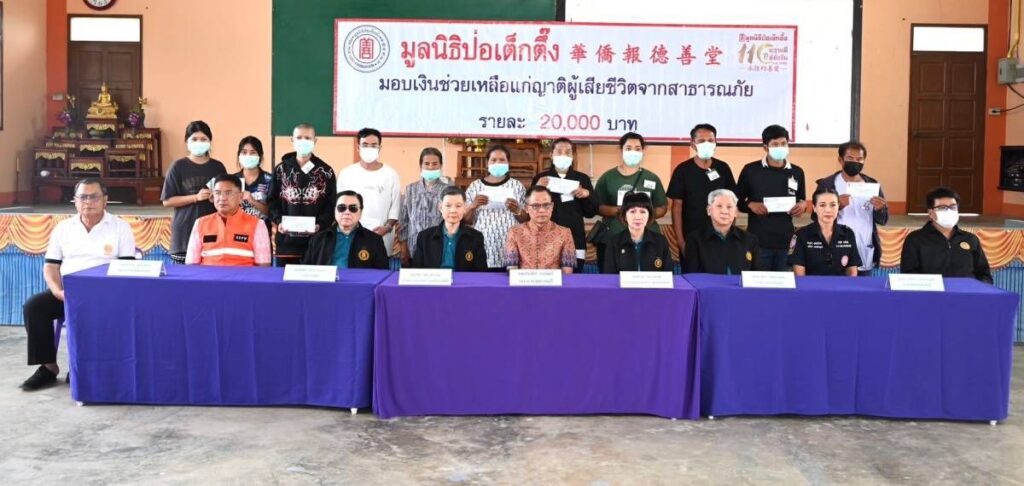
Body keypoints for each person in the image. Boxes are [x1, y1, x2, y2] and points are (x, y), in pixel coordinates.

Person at [21, 178, 136, 391]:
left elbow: (126, 267)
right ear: (74, 200)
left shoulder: (120, 227)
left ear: (105, 200)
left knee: (99, 312)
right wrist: (58, 291)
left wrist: (106, 293)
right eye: (83, 197)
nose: (88, 202)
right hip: (68, 292)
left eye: (94, 197)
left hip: (104, 294)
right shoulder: (63, 228)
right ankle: (48, 367)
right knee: (34, 306)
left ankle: (82, 366)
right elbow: (51, 266)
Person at [735, 124, 807, 271]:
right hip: (758, 241)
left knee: (784, 283)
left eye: (783, 143)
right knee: (758, 283)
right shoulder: (750, 170)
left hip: (786, 242)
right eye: (775, 144)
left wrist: (803, 206)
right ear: (765, 147)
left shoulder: (797, 172)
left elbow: (801, 199)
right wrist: (750, 205)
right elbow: (737, 200)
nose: (780, 147)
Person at [813, 141, 888, 276]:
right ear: (840, 160)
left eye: (859, 159)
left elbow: (883, 220)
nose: (855, 162)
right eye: (850, 158)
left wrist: (880, 209)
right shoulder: (827, 184)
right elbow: (815, 217)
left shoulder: (872, 185)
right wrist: (836, 206)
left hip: (864, 247)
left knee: (862, 287)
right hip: (835, 247)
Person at [267, 123, 337, 266]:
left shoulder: (326, 171)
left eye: (307, 138)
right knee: (284, 280)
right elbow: (272, 201)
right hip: (287, 244)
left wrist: (320, 225)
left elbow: (331, 205)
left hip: (316, 243)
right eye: (299, 137)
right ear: (292, 140)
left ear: (315, 141)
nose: (303, 141)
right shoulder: (281, 170)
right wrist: (279, 221)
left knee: (315, 280)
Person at [594, 132, 669, 264]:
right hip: (615, 237)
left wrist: (646, 214)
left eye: (637, 149)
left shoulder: (652, 178)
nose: (633, 152)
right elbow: (597, 206)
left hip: (647, 239)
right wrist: (622, 211)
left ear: (643, 151)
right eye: (628, 148)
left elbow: (662, 207)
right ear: (621, 150)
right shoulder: (607, 178)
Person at [160, 120, 227, 264]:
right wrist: (195, 197)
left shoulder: (218, 167)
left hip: (212, 232)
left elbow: (226, 197)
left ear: (210, 141)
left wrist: (215, 198)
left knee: (211, 275)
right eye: (194, 139)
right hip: (184, 234)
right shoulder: (178, 166)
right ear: (187, 141)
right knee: (183, 276)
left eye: (203, 139)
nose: (199, 143)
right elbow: (167, 201)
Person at [668, 123, 737, 254]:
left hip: (720, 237)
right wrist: (681, 242)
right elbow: (676, 208)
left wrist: (730, 235)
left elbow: (732, 204)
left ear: (716, 143)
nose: (707, 144)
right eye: (701, 141)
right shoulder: (682, 170)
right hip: (691, 238)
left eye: (710, 140)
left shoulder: (723, 168)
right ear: (693, 144)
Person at [531, 137, 598, 270]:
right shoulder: (541, 179)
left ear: (572, 156)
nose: (563, 155)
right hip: (545, 239)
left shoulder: (582, 179)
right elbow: (530, 211)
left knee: (573, 279)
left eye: (568, 152)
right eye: (559, 152)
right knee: (547, 279)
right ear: (551, 155)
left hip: (575, 239)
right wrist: (536, 189)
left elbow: (590, 213)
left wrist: (587, 195)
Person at [901, 187, 992, 283]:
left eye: (953, 207)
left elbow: (984, 274)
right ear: (931, 213)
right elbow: (909, 275)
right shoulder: (915, 239)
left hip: (967, 292)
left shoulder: (970, 239)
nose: (949, 211)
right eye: (942, 208)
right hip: (932, 292)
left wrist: (977, 289)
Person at [337, 128, 401, 258]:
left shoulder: (391, 174)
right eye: (365, 145)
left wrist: (387, 228)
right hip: (351, 235)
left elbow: (395, 207)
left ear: (380, 148)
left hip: (382, 236)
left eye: (373, 145)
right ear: (358, 147)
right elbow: (339, 207)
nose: (369, 148)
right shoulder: (346, 174)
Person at [464, 144, 528, 270]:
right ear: (487, 163)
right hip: (483, 245)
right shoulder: (475, 186)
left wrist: (517, 210)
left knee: (509, 281)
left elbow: (526, 220)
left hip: (510, 245)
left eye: (502, 160)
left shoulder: (517, 186)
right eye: (493, 160)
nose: (497, 163)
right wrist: (473, 206)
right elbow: (466, 220)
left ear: (508, 163)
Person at [184, 175, 271, 266]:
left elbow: (263, 266)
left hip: (243, 275)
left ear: (241, 197)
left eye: (228, 193)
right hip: (208, 275)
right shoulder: (200, 223)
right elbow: (191, 264)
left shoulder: (257, 224)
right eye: (217, 193)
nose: (222, 198)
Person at [301, 190, 389, 269]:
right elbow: (305, 272)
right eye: (341, 208)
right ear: (335, 211)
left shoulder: (374, 240)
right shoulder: (317, 239)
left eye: (353, 208)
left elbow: (383, 275)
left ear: (361, 212)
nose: (347, 212)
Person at [682, 189, 760, 274]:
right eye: (719, 206)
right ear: (709, 210)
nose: (724, 211)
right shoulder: (694, 239)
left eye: (729, 207)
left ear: (735, 212)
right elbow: (691, 276)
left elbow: (756, 276)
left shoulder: (750, 240)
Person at [411, 186, 488, 271]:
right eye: (448, 206)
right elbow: (416, 270)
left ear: (464, 208)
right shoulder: (424, 237)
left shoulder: (476, 237)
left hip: (462, 280)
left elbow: (481, 272)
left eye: (458, 206)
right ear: (440, 208)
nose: (453, 210)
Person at [787, 188, 861, 276]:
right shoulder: (801, 235)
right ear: (814, 208)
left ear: (838, 206)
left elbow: (852, 271)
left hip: (841, 285)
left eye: (833, 205)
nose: (828, 210)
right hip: (811, 285)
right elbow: (799, 275)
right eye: (822, 205)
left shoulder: (848, 233)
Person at [398, 147, 453, 265]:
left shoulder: (448, 190)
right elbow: (404, 221)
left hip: (440, 248)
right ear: (420, 166)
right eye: (427, 164)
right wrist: (403, 248)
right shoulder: (411, 189)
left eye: (435, 164)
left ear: (441, 165)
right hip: (413, 248)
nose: (431, 167)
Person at [505, 186, 576, 273]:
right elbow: (512, 270)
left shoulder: (565, 233)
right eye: (535, 206)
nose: (542, 210)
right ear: (526, 208)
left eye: (546, 205)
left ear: (552, 206)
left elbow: (567, 272)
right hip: (523, 281)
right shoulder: (515, 232)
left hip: (554, 281)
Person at [602, 192, 673, 273]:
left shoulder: (660, 241)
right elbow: (609, 275)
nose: (638, 217)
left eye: (643, 212)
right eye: (632, 212)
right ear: (624, 216)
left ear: (649, 215)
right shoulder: (614, 242)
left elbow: (669, 274)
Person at [232, 135, 274, 234]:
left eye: (253, 152)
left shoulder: (270, 180)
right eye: (244, 152)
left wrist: (252, 201)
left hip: (262, 233)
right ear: (239, 156)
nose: (248, 156)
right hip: (237, 233)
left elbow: (272, 213)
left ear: (260, 156)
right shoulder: (232, 180)